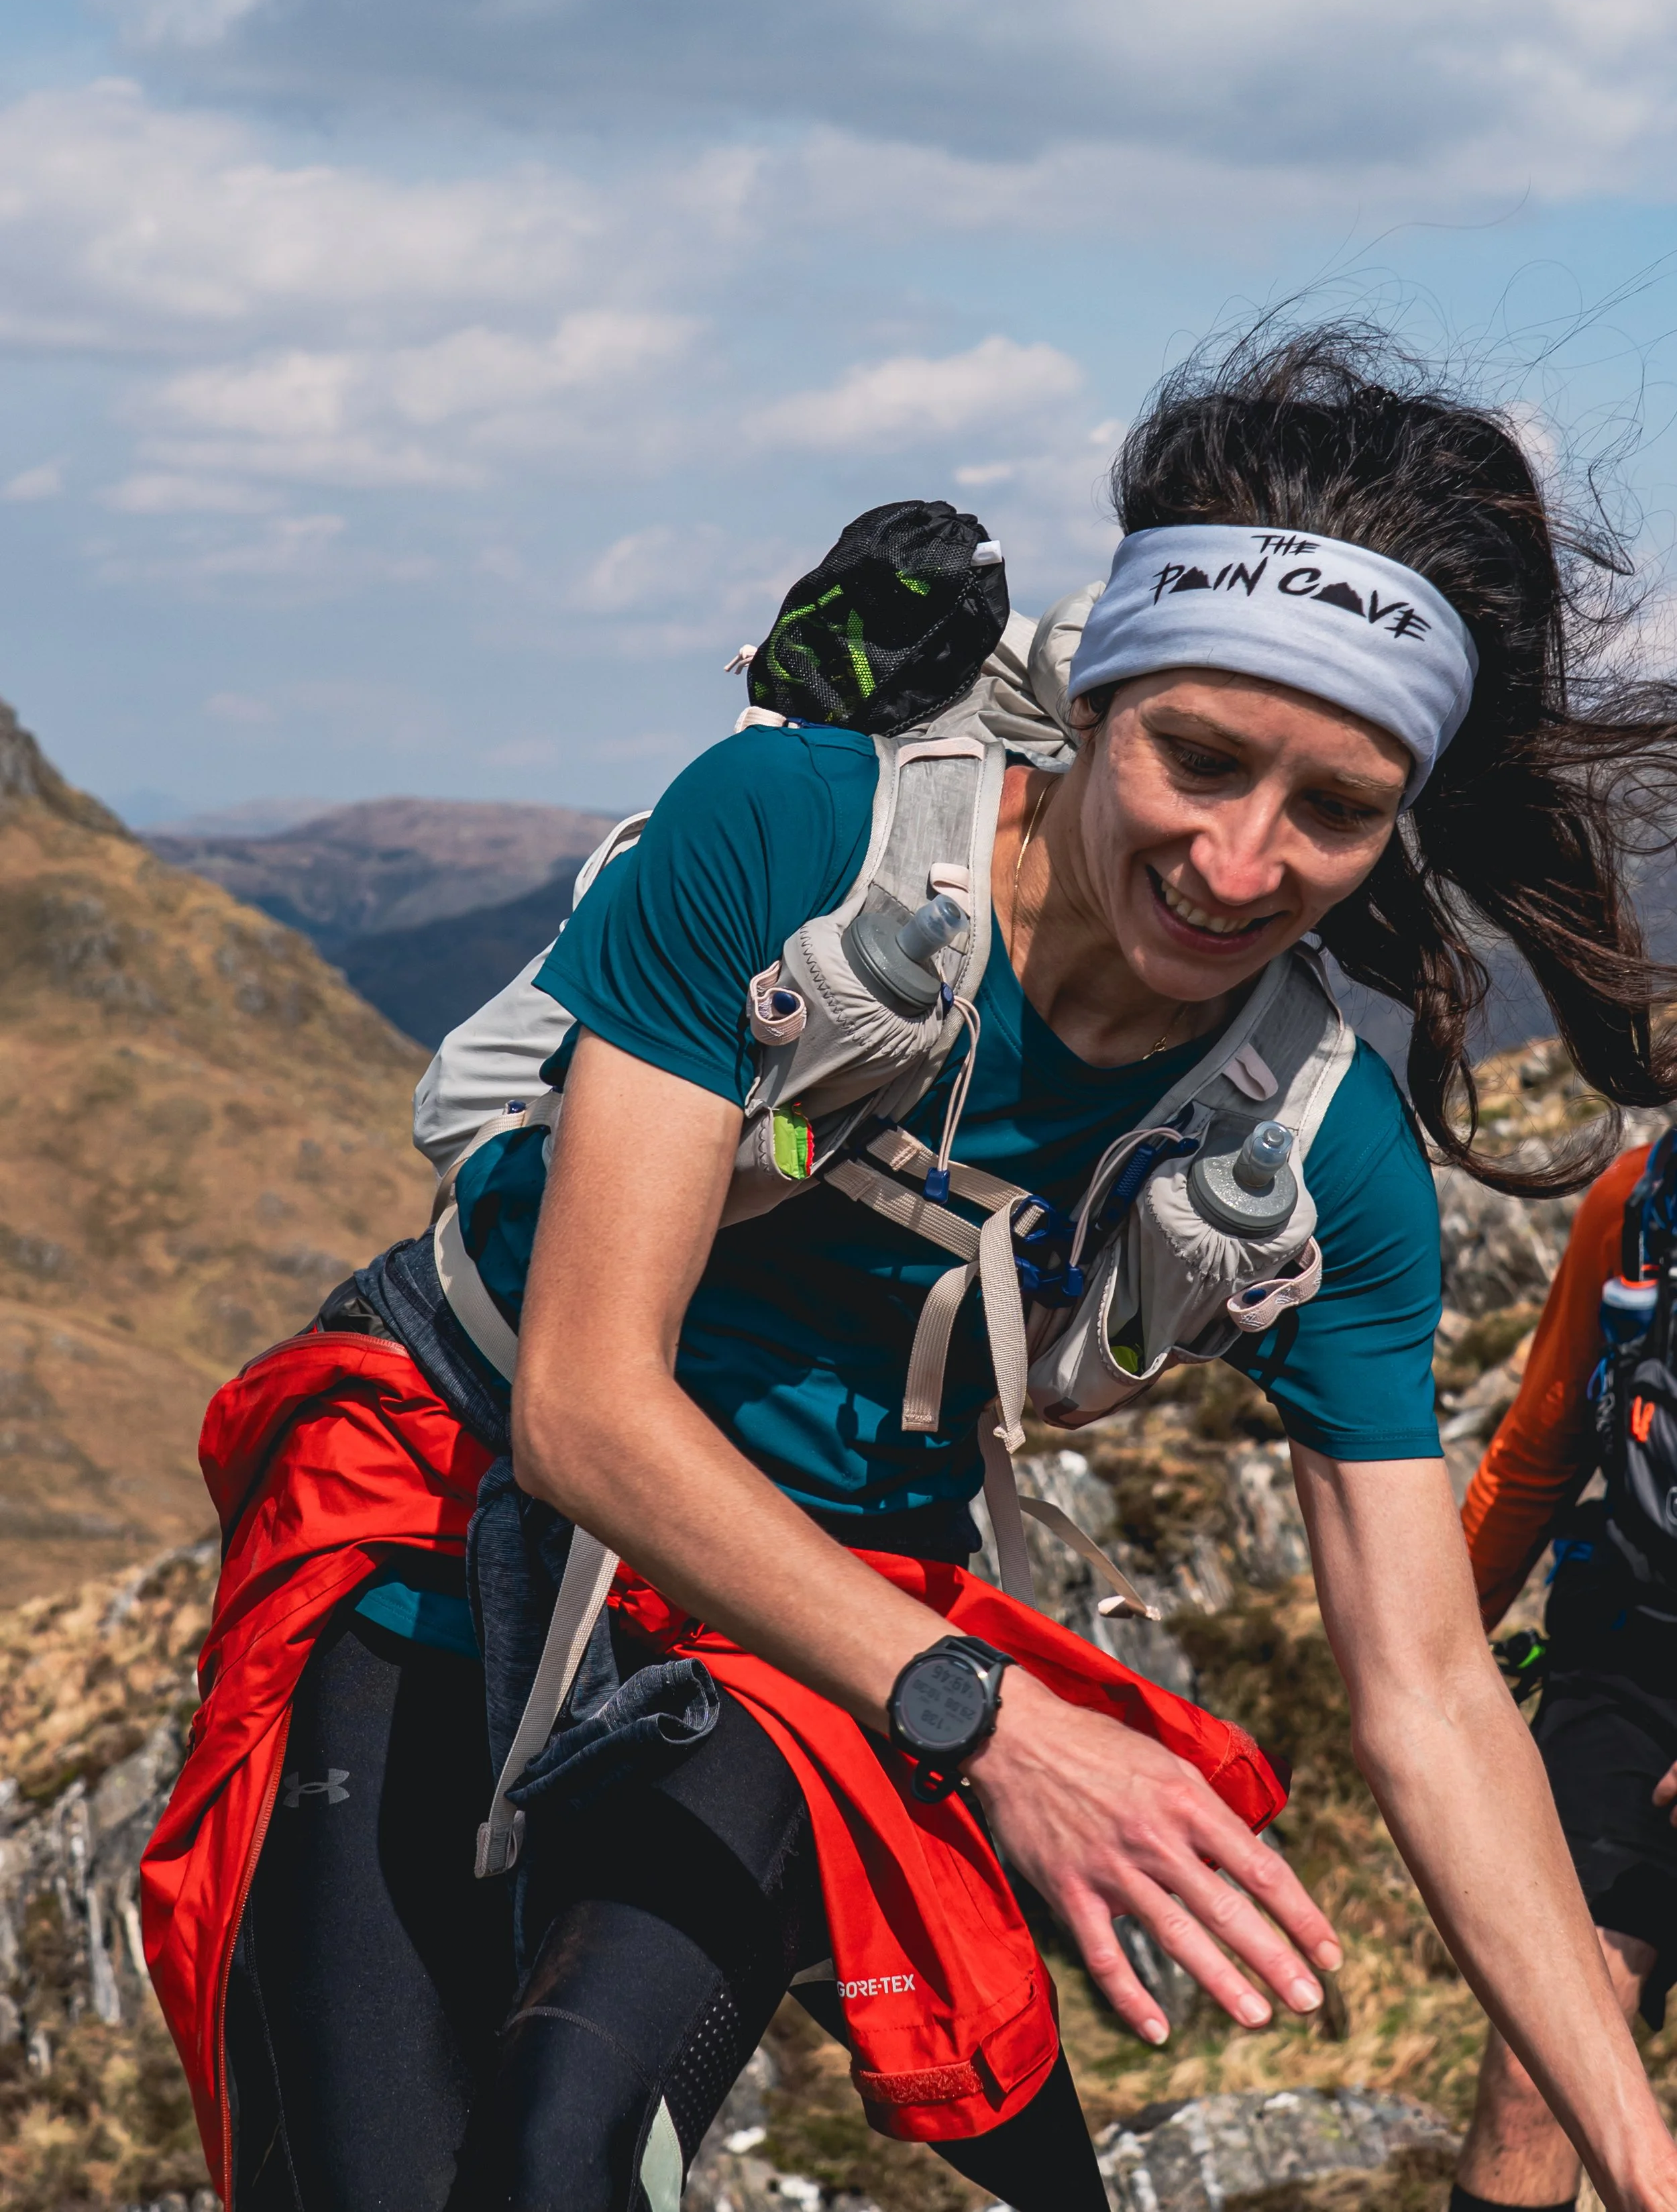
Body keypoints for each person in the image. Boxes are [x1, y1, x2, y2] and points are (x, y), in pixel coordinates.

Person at [142, 323, 1677, 2212]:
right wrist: (993, 1718)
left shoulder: (1320, 1151)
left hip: (817, 1629)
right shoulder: (792, 839)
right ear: (1093, 699)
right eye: (1195, 756)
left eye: (1335, 810)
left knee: (557, 2147)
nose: (1238, 856)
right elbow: (586, 1401)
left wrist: (1637, 2152)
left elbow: (1431, 1693)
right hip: (443, 1504)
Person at [1456, 1135, 1677, 2212]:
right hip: (1635, 1649)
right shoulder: (1638, 1203)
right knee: (1542, 2070)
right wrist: (1423, 1662)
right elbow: (1543, 1441)